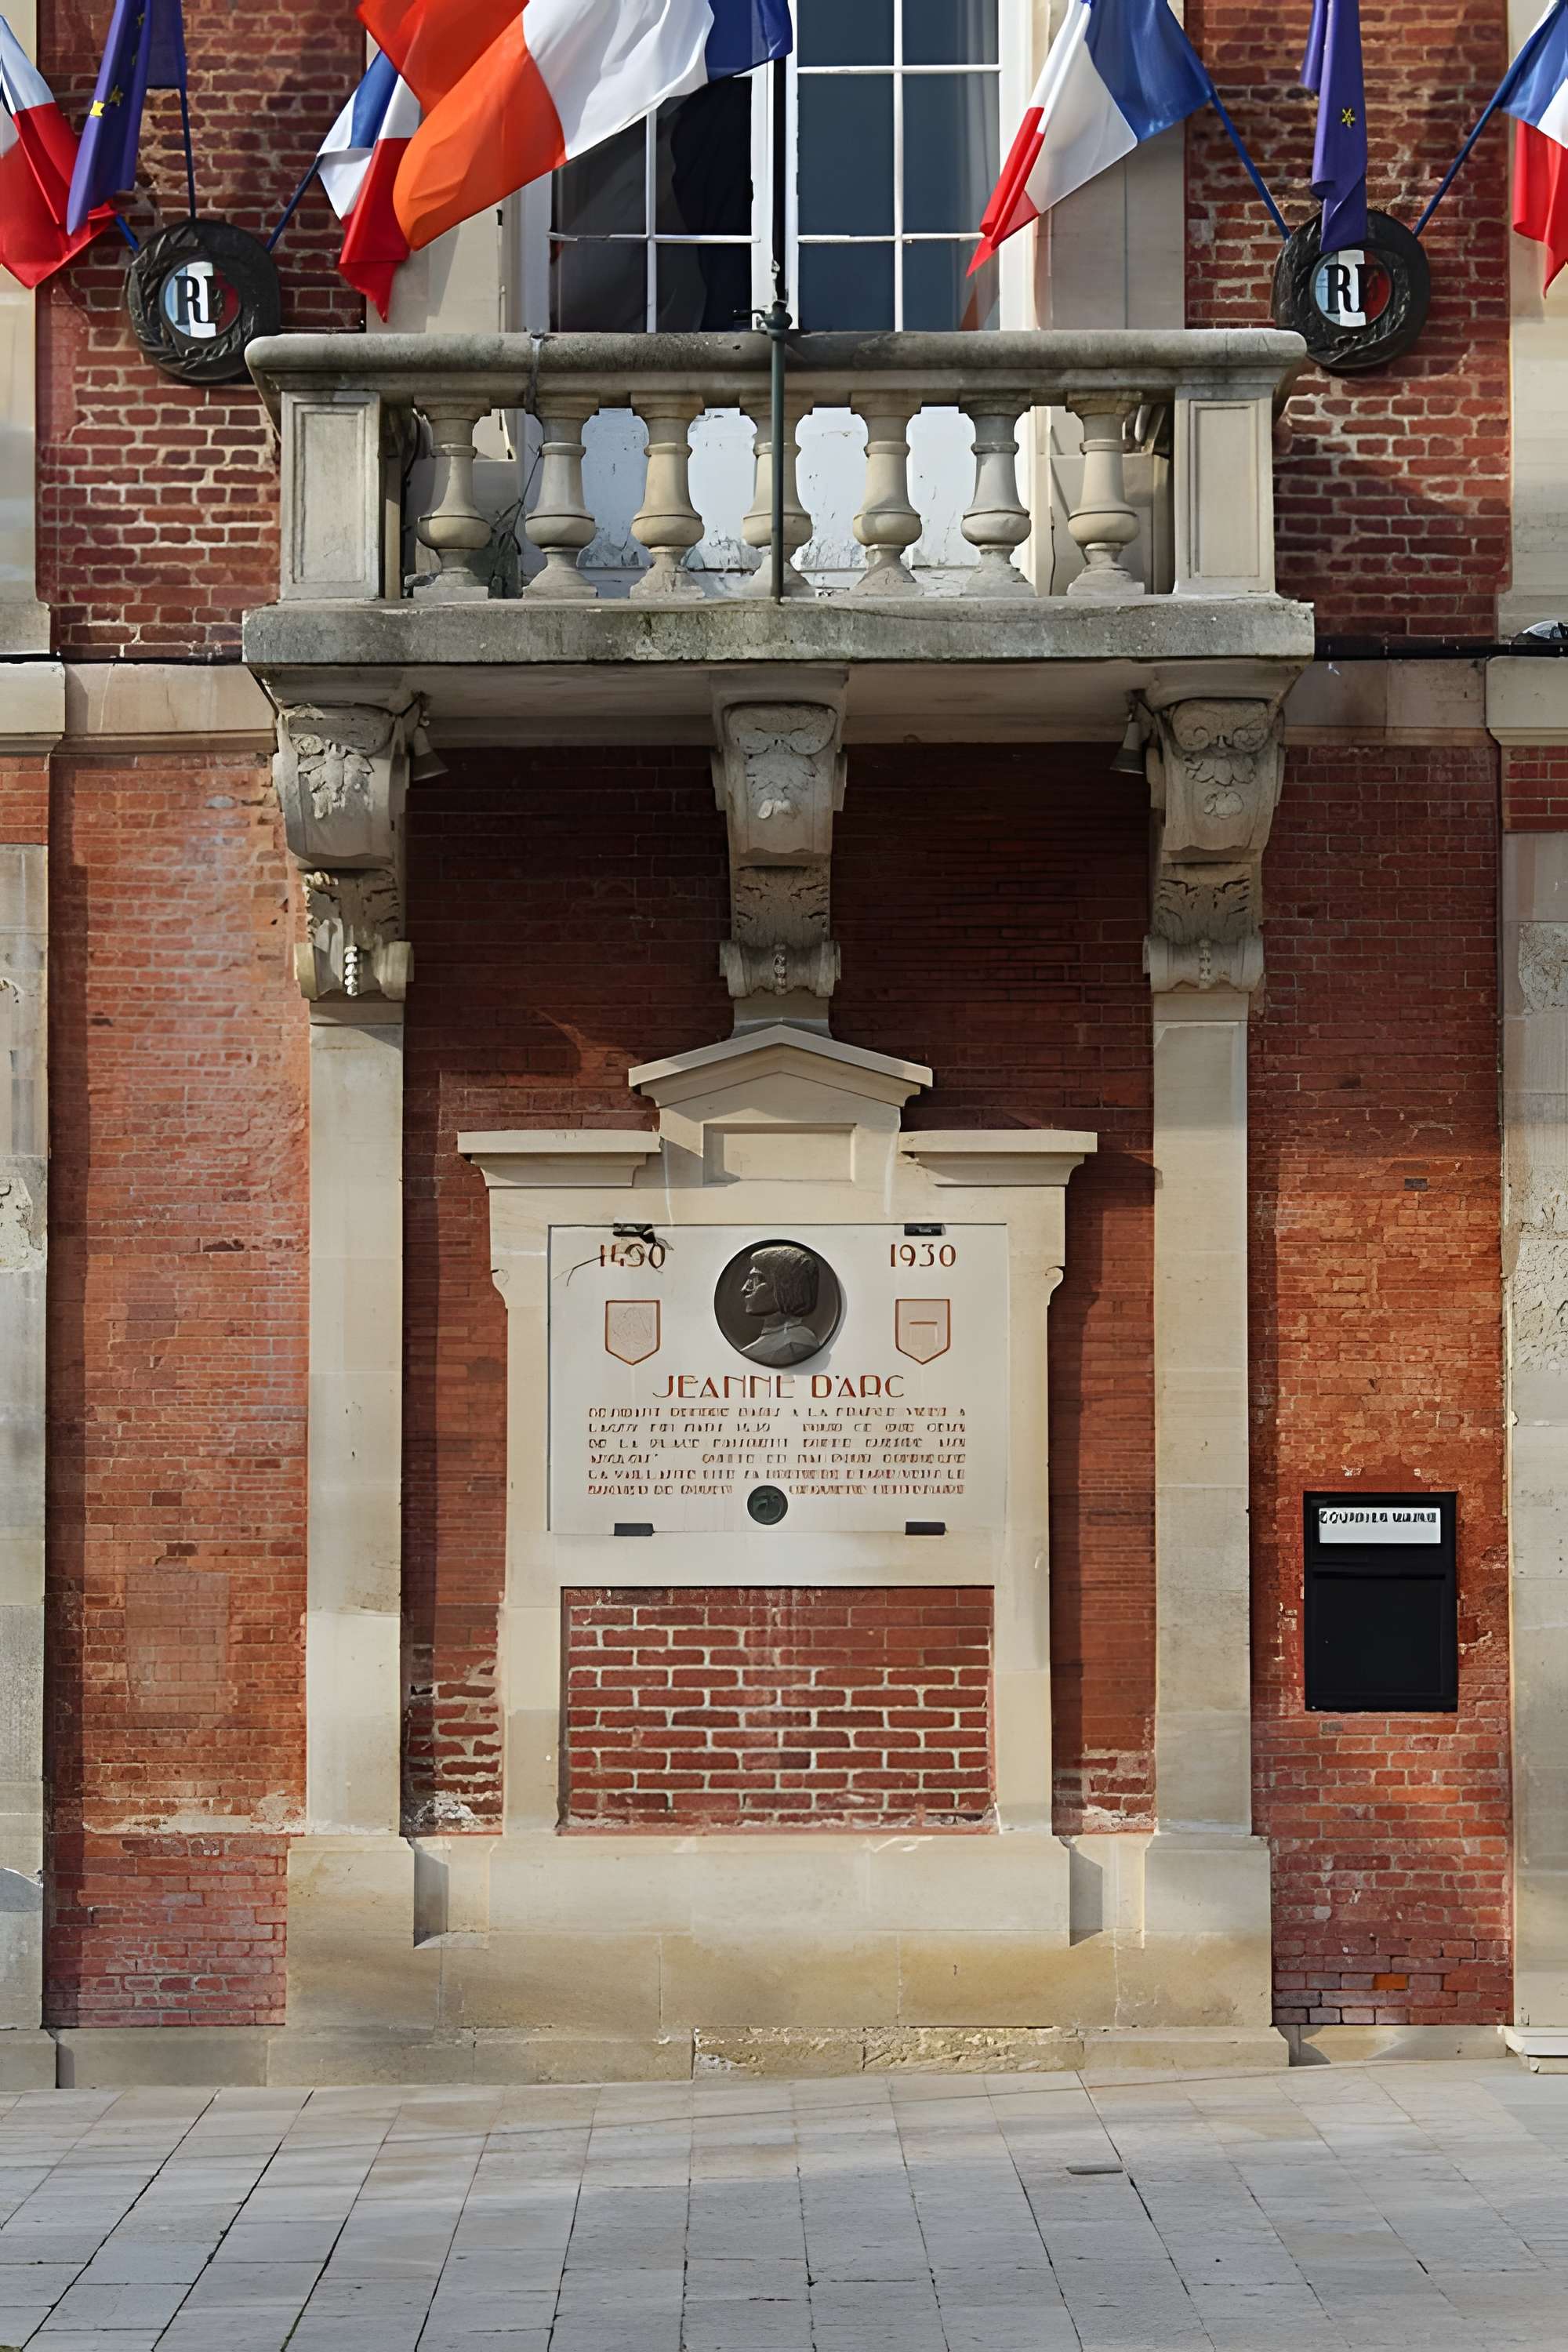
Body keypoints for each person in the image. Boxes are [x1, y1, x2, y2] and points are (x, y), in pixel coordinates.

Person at [739, 1243, 822, 1367]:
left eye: (756, 1279)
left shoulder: (792, 1346)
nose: (745, 1289)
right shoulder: (800, 1339)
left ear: (785, 1286)